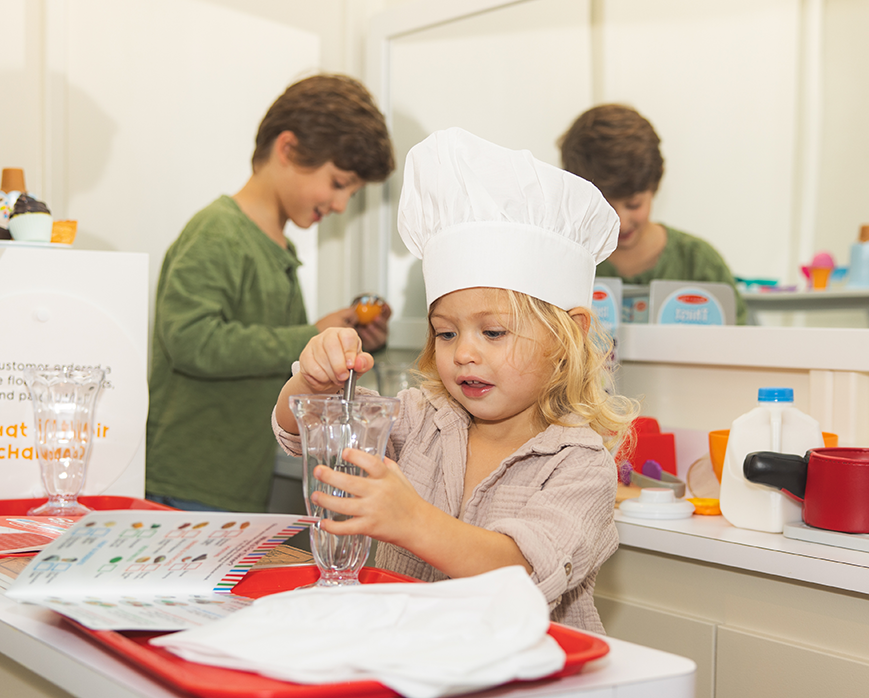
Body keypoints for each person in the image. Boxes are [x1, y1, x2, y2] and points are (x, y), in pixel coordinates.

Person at [272, 128, 636, 633]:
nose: (464, 352)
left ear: (568, 336)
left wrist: (413, 520)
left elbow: (523, 573)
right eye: (445, 333)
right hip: (410, 662)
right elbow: (305, 431)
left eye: (492, 331)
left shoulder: (578, 467)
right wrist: (314, 382)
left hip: (520, 688)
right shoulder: (419, 420)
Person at [146, 74, 395, 513]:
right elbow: (190, 340)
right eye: (339, 184)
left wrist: (334, 346)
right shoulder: (218, 230)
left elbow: (279, 355)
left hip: (237, 480)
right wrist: (308, 334)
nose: (340, 206)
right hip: (186, 481)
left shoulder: (280, 247)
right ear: (288, 149)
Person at [559, 103, 748, 324]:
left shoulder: (698, 263)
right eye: (606, 208)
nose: (620, 221)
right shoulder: (566, 263)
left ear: (655, 184)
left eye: (634, 204)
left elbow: (740, 346)